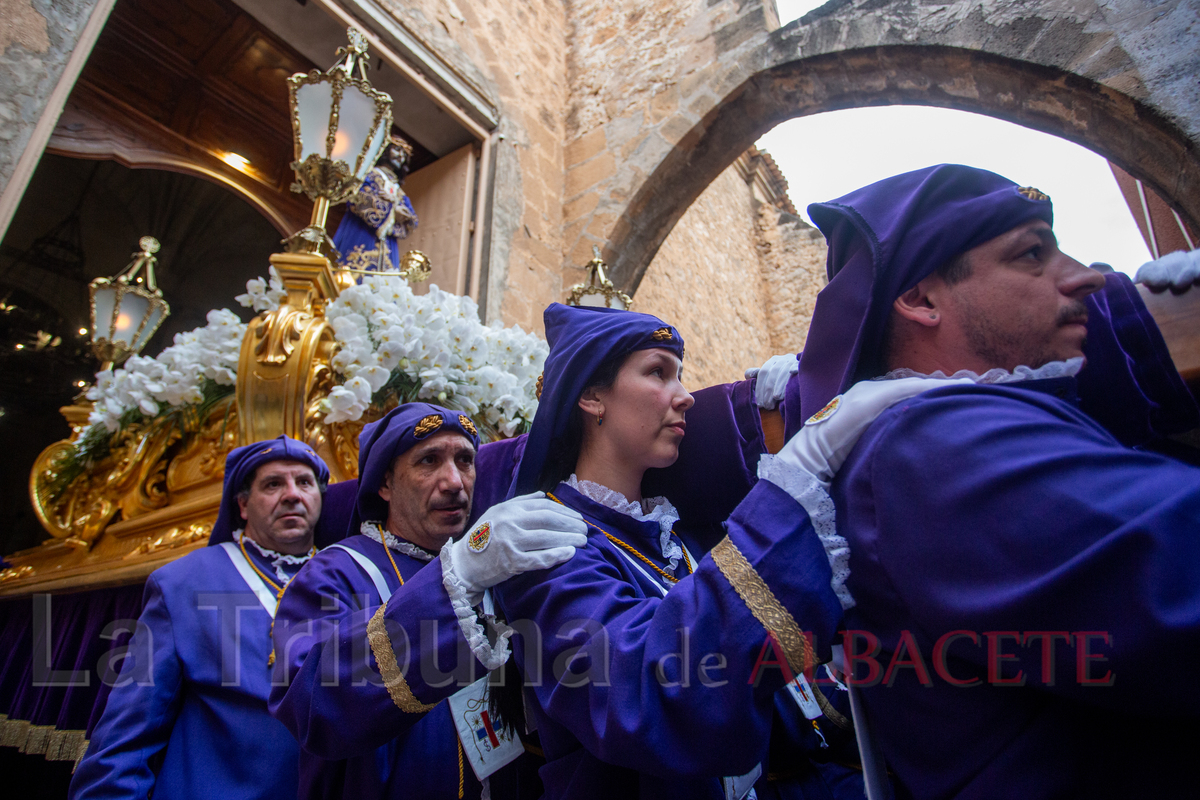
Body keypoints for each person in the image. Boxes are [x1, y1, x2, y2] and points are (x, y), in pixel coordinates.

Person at [788, 164, 1200, 799]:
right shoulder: (938, 445)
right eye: (1033, 253)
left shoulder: (965, 427)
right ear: (921, 300)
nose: (1086, 275)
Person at [490, 302, 955, 800]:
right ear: (591, 396)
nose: (685, 396)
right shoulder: (546, 544)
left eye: (681, 376)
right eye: (657, 372)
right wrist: (795, 491)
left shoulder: (682, 531)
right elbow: (639, 699)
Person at [269, 403, 588, 799]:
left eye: (465, 460)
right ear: (385, 484)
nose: (454, 481)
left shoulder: (495, 569)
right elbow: (311, 707)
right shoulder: (333, 573)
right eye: (429, 461)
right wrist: (454, 582)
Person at [70, 436, 330, 800]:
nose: (292, 494)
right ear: (242, 505)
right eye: (273, 484)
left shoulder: (348, 576)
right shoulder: (182, 583)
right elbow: (127, 735)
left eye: (304, 482)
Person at [333, 135, 419, 273]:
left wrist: (402, 215)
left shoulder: (399, 192)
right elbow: (358, 197)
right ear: (385, 150)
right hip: (361, 234)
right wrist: (392, 211)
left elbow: (412, 220)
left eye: (404, 154)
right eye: (397, 150)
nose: (400, 157)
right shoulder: (368, 175)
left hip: (388, 247)